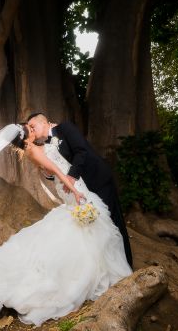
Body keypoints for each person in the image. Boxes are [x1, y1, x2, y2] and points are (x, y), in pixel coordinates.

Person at [0, 124, 133, 326]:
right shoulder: (34, 149)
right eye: (30, 128)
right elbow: (56, 171)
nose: (33, 128)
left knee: (87, 226)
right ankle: (91, 272)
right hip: (72, 185)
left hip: (68, 186)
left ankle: (98, 268)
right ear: (26, 136)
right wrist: (75, 190)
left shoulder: (32, 149)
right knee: (88, 225)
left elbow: (50, 170)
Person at [26, 113, 133, 267]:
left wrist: (71, 177)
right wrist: (48, 174)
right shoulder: (43, 146)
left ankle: (127, 264)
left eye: (33, 126)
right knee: (97, 225)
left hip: (97, 179)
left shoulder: (65, 127)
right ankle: (107, 265)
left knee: (113, 222)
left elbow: (81, 151)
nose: (32, 131)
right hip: (81, 189)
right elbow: (55, 170)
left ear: (43, 123)